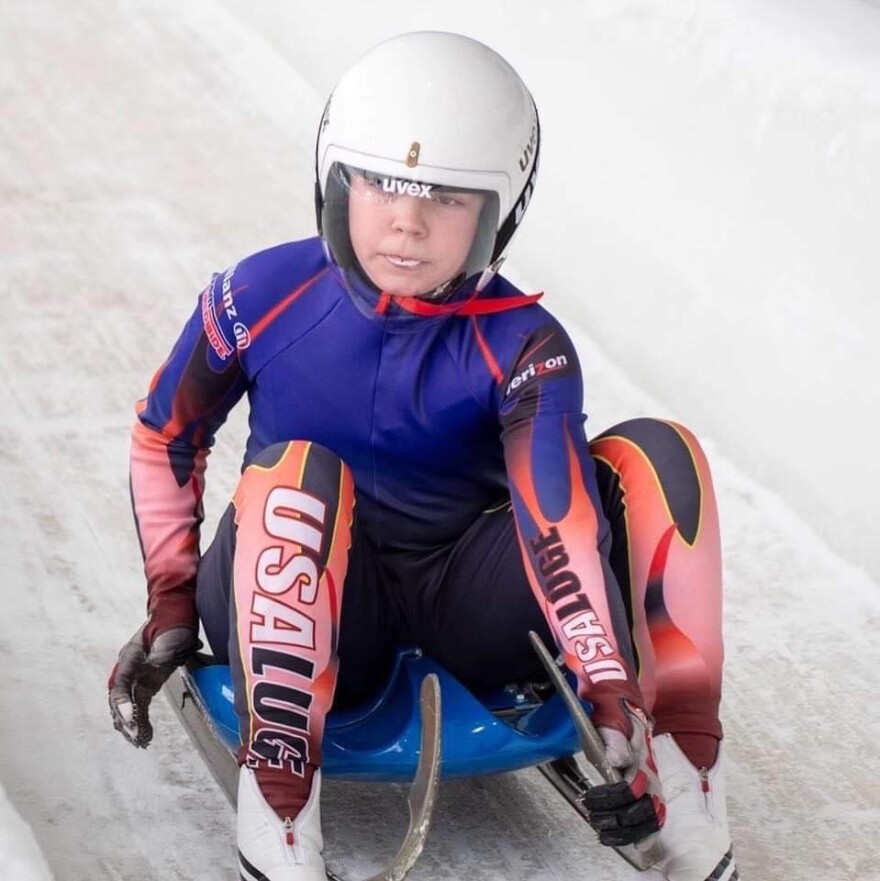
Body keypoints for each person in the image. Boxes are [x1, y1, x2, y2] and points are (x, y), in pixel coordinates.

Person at [108, 31, 738, 881]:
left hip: (468, 603)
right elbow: (167, 433)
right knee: (302, 474)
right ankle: (281, 791)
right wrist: (174, 595)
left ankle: (685, 768)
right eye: (379, 185)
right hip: (296, 589)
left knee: (659, 457)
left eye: (446, 198)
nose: (406, 222)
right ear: (334, 181)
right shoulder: (256, 294)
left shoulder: (524, 342)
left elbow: (556, 517)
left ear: (500, 209)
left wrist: (607, 686)